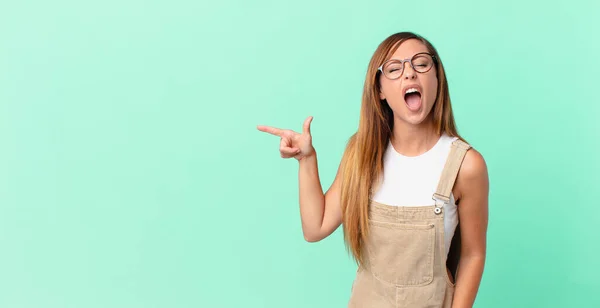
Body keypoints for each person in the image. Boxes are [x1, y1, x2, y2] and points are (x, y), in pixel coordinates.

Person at [257, 32, 489, 307]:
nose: (409, 74)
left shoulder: (466, 165)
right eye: (394, 69)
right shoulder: (362, 154)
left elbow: (472, 255)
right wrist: (306, 159)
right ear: (379, 90)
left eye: (421, 64)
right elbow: (315, 227)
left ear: (437, 78)